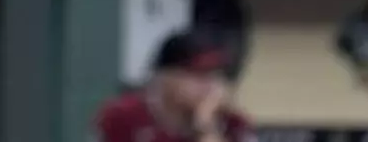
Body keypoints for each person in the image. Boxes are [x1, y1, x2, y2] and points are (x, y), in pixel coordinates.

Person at [95, 31, 254, 142]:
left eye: (215, 75)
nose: (209, 85)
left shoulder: (232, 122)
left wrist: (206, 128)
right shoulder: (122, 116)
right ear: (164, 78)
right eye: (198, 75)